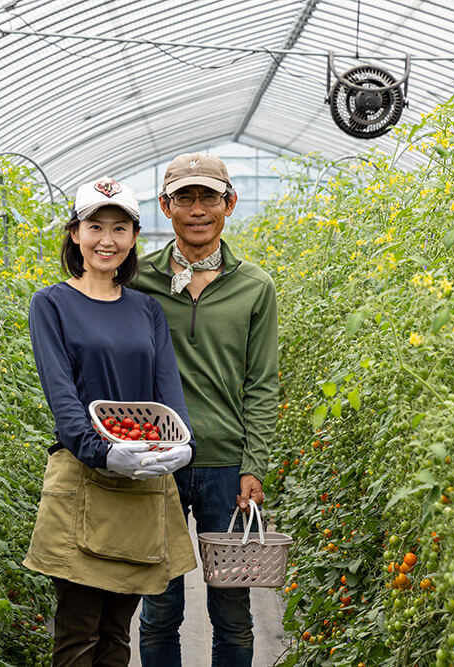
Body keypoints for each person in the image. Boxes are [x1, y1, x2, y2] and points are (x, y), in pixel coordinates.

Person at [23, 177, 198, 667]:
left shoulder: (147, 310)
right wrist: (102, 451)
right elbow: (62, 395)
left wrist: (182, 443)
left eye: (119, 228)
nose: (107, 239)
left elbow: (167, 388)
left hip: (143, 476)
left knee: (117, 634)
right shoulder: (51, 304)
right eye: (94, 226)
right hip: (83, 476)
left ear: (134, 237)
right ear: (74, 234)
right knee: (78, 633)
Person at [133, 153, 280, 667]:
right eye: (185, 198)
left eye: (209, 197)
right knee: (159, 607)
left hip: (226, 467)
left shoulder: (254, 285)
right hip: (157, 462)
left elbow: (261, 383)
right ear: (165, 206)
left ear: (229, 204)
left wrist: (253, 466)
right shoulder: (138, 279)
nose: (198, 209)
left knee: (233, 612)